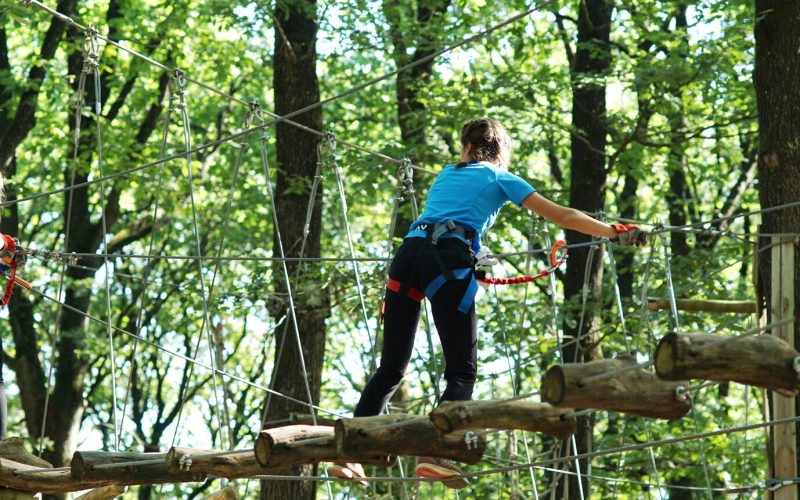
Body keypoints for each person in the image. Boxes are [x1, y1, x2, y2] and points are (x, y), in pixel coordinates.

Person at [330, 118, 646, 488]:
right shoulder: (499, 178)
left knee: (391, 368)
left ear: (466, 147)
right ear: (501, 153)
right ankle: (434, 452)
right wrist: (614, 231)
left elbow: (451, 217)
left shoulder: (447, 174)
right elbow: (563, 216)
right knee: (462, 373)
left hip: (409, 257)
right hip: (445, 262)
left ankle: (350, 456)